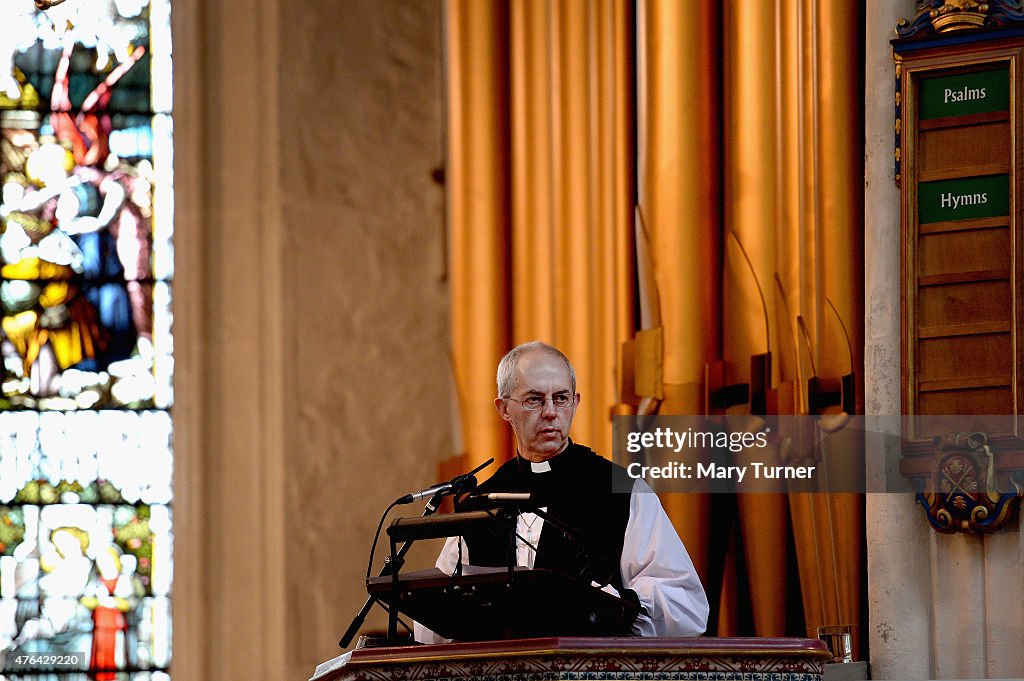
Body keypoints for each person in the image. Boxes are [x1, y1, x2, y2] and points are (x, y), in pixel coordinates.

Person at [415, 341, 709, 642]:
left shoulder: (619, 491)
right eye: (534, 399)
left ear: (576, 402)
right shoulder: (481, 501)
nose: (550, 412)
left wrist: (609, 604)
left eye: (561, 398)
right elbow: (435, 624)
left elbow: (683, 606)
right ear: (504, 408)